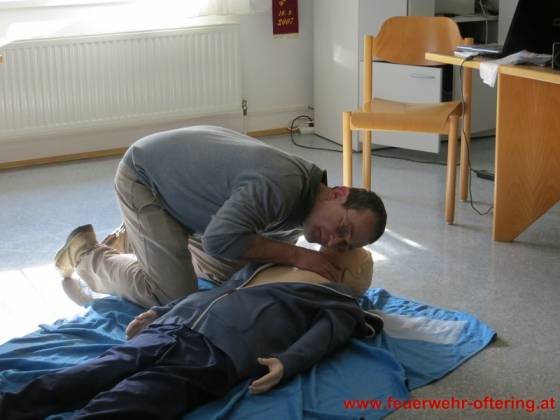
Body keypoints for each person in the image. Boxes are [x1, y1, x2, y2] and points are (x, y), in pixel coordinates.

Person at [1, 248, 384, 419]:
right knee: (92, 371)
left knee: (137, 397)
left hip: (219, 353)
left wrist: (287, 362)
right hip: (174, 325)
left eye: (341, 252)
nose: (327, 248)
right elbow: (216, 291)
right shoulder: (268, 267)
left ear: (350, 275)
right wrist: (161, 311)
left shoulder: (338, 300)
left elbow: (323, 338)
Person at [55, 125, 387, 308]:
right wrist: (300, 257)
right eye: (343, 228)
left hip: (188, 185)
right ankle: (86, 254)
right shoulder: (281, 188)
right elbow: (218, 241)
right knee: (172, 296)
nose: (334, 240)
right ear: (338, 192)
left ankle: (140, 236)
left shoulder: (305, 201)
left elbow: (245, 248)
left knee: (231, 271)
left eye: (344, 244)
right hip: (145, 178)